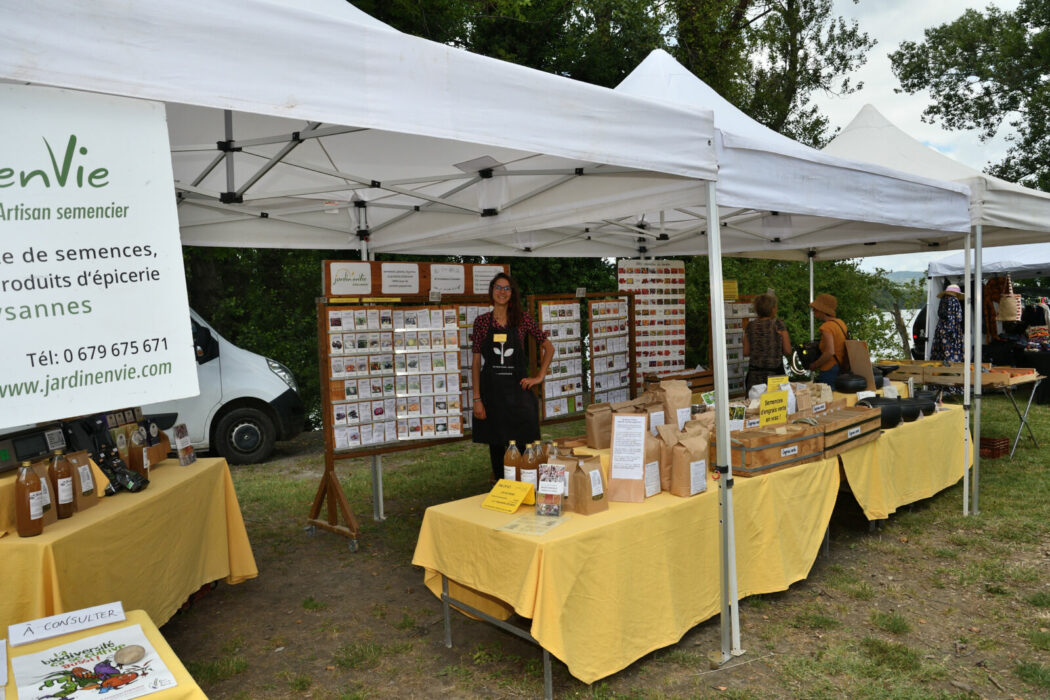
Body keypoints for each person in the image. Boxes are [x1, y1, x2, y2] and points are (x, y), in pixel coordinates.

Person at [471, 272, 555, 482]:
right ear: (491, 291)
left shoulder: (523, 319)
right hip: (493, 395)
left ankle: (528, 489)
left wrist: (539, 377)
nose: (502, 292)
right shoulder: (481, 322)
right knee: (497, 446)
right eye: (498, 287)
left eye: (507, 288)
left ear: (512, 293)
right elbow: (475, 362)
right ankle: (502, 490)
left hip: (519, 394)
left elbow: (549, 348)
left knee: (524, 445)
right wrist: (477, 398)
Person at [743, 292, 792, 393]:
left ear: (757, 309)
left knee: (754, 406)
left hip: (754, 376)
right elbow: (788, 350)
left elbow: (746, 352)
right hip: (775, 376)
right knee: (775, 405)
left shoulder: (750, 326)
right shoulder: (778, 324)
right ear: (773, 309)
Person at [809, 293, 848, 386]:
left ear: (822, 310)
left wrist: (815, 365)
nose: (813, 311)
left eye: (815, 308)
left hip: (829, 369)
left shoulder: (826, 327)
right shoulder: (840, 323)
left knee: (828, 399)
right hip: (841, 366)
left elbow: (830, 352)